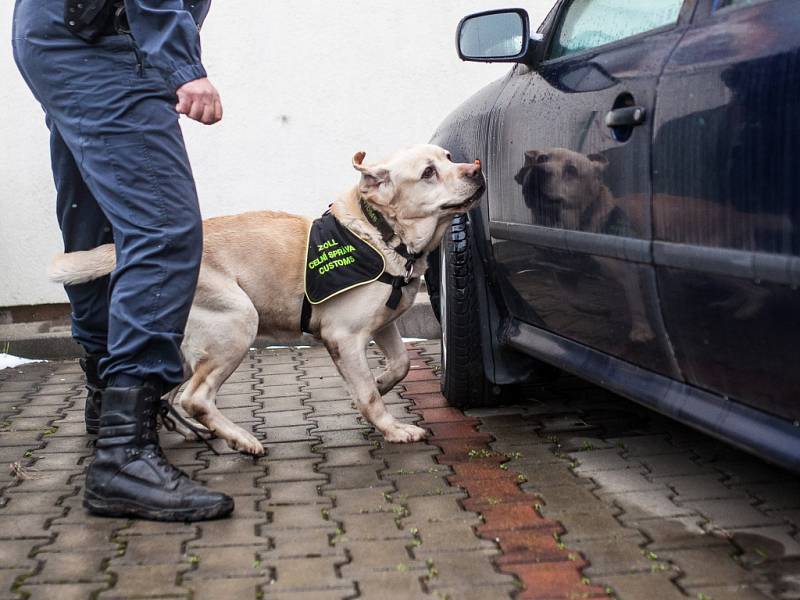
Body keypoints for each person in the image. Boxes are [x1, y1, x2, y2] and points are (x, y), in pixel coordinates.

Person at [12, 0, 234, 521]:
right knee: (163, 231)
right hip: (98, 39)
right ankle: (124, 456)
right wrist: (182, 67)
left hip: (70, 35)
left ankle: (106, 406)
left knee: (97, 229)